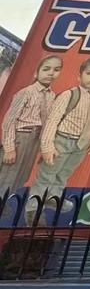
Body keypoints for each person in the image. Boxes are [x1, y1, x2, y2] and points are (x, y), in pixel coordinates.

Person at [29, 57, 90, 224]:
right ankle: (32, 212)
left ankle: (53, 197)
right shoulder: (69, 94)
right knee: (45, 176)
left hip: (81, 144)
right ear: (79, 76)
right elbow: (52, 120)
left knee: (63, 174)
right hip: (62, 141)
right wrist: (47, 146)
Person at [0, 56, 62, 216]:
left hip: (34, 139)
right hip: (20, 136)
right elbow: (9, 121)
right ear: (37, 72)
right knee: (8, 173)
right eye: (46, 69)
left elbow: (47, 121)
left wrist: (44, 147)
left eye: (56, 70)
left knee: (22, 173)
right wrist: (9, 148)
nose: (51, 73)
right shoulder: (26, 92)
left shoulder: (51, 96)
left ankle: (4, 199)